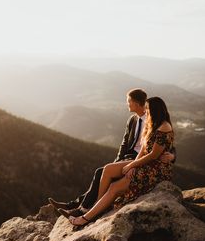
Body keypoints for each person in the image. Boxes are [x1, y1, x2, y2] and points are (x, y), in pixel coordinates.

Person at [68, 96, 175, 229]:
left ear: (155, 110)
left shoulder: (164, 126)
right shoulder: (151, 124)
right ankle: (97, 207)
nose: (145, 111)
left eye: (147, 109)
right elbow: (142, 149)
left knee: (114, 187)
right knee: (107, 169)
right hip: (143, 163)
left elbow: (153, 155)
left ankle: (86, 218)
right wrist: (132, 165)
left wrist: (132, 165)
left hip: (155, 168)